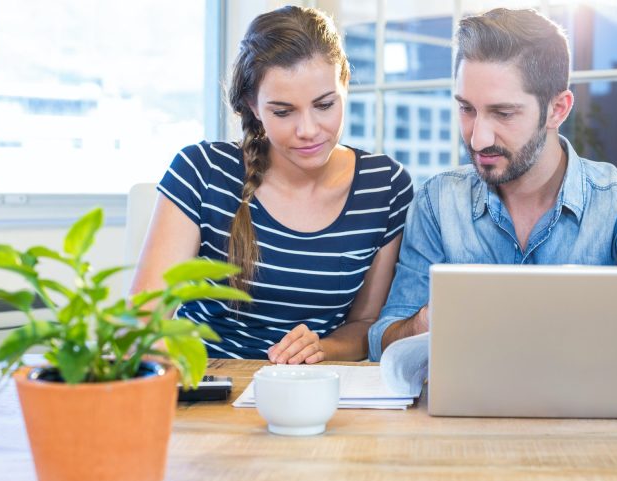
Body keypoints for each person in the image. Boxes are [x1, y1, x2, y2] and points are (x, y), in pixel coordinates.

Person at [368, 8, 617, 361]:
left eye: (503, 113)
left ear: (558, 109)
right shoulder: (438, 202)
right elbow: (383, 339)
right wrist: (424, 323)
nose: (477, 139)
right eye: (466, 109)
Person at [131, 6, 413, 364]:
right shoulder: (203, 171)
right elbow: (142, 325)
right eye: (283, 111)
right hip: (209, 381)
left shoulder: (385, 187)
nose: (308, 130)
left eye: (325, 105)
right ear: (253, 106)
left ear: (345, 83)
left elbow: (367, 325)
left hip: (313, 384)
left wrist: (321, 349)